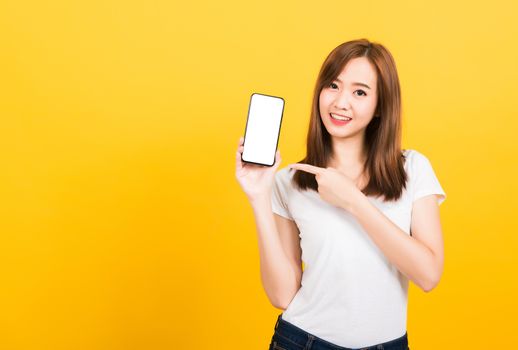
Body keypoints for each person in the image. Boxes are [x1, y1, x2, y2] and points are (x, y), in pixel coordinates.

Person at [235, 38, 446, 350]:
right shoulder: (290, 181)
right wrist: (258, 197)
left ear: (379, 107)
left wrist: (353, 200)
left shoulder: (413, 169)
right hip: (302, 342)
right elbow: (281, 296)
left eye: (359, 92)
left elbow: (428, 275)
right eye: (333, 86)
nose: (340, 102)